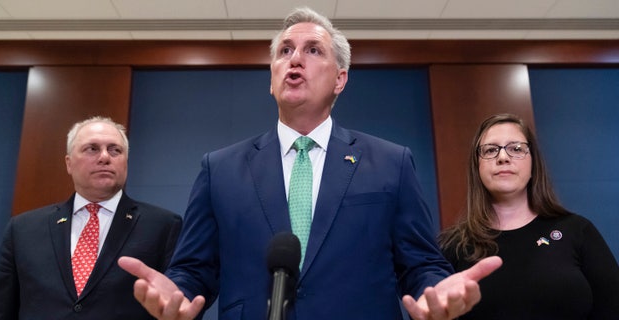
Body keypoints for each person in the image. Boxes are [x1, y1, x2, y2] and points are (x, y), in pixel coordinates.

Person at [118, 7, 501, 320]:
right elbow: (194, 268)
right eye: (284, 51)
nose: (295, 59)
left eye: (313, 50)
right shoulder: (219, 169)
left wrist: (436, 289)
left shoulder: (390, 163)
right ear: (272, 79)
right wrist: (178, 291)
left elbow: (419, 264)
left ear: (340, 79)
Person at [0, 116, 182, 320]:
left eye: (115, 150)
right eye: (92, 149)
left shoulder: (163, 226)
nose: (104, 157)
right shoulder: (23, 229)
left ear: (125, 161)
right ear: (69, 163)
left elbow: (177, 307)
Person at [438, 113, 619, 319]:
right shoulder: (452, 245)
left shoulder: (577, 231)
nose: (503, 157)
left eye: (516, 149)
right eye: (490, 150)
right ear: (477, 168)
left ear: (533, 164)